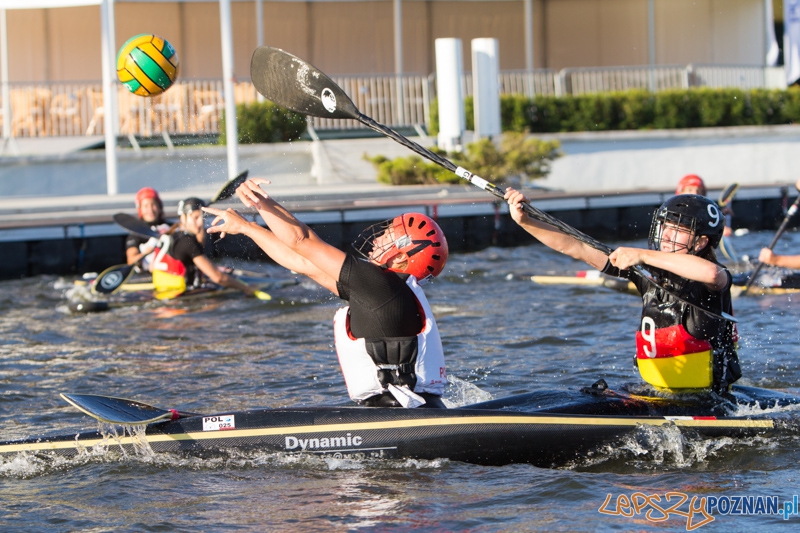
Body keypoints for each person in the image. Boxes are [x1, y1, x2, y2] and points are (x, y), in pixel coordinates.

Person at [203, 178, 449, 408]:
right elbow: (303, 262)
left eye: (387, 236)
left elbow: (301, 240)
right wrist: (247, 228)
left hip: (398, 417)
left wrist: (258, 200)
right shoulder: (386, 292)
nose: (377, 240)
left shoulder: (380, 286)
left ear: (400, 257)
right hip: (414, 410)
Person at [505, 188, 741, 394]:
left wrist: (642, 255)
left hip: (708, 399)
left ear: (700, 243)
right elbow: (577, 247)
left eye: (678, 229)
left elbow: (712, 273)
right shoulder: (647, 273)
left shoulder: (713, 281)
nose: (667, 235)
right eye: (666, 226)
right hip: (659, 393)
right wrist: (526, 222)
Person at [151, 197, 259, 297]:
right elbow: (218, 278)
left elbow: (152, 267)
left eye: (202, 217)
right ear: (183, 218)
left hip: (162, 292)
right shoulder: (188, 242)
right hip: (180, 297)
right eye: (195, 217)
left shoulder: (170, 235)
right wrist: (246, 288)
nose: (200, 222)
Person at [126, 187, 171, 270]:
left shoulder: (170, 227)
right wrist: (145, 253)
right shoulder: (136, 233)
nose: (150, 210)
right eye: (146, 206)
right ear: (140, 209)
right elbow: (131, 261)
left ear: (159, 207)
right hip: (147, 273)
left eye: (153, 205)